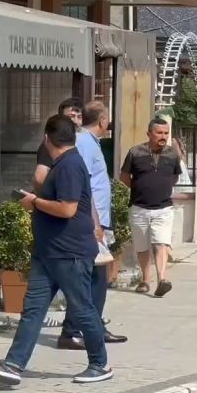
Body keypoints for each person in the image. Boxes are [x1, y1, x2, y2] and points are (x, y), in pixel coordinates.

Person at [0, 115, 113, 387]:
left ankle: (100, 364)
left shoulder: (70, 165)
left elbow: (68, 209)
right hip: (48, 253)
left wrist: (35, 202)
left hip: (69, 254)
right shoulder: (61, 164)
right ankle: (14, 365)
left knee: (83, 309)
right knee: (33, 310)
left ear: (47, 138)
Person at [59, 101, 127, 349]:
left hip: (97, 219)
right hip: (90, 221)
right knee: (91, 278)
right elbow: (82, 184)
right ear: (102, 121)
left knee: (95, 277)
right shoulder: (85, 143)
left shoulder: (90, 142)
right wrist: (93, 222)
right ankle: (75, 330)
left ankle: (91, 327)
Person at [120, 118, 183, 296]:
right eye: (159, 133)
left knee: (161, 242)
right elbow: (124, 177)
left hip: (163, 208)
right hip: (139, 207)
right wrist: (140, 188)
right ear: (149, 134)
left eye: (166, 133)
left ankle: (162, 279)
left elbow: (175, 177)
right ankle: (145, 280)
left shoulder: (172, 154)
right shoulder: (135, 152)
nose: (163, 136)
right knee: (142, 246)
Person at [34, 97, 83, 189]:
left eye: (79, 117)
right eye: (71, 117)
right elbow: (39, 178)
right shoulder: (51, 144)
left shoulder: (83, 142)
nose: (76, 122)